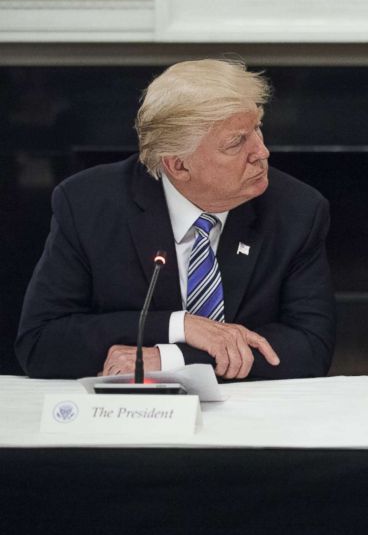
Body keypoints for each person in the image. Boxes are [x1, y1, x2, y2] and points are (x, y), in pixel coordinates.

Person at [17, 59, 336, 380]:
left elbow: (310, 348)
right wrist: (179, 325)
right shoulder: (88, 204)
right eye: (236, 142)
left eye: (257, 128)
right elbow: (40, 343)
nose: (261, 151)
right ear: (178, 166)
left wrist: (170, 358)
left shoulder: (296, 209)